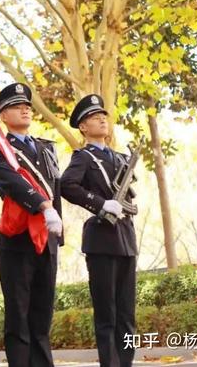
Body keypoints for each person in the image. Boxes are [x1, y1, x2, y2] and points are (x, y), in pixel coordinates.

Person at [0, 83, 63, 367]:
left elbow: (55, 187)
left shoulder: (46, 148)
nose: (25, 109)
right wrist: (43, 206)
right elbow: (11, 183)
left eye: (27, 105)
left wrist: (59, 231)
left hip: (47, 238)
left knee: (42, 315)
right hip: (17, 239)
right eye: (17, 106)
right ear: (3, 116)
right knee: (19, 314)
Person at [60, 94, 138, 367]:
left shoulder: (120, 157)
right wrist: (100, 203)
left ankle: (126, 362)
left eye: (104, 116)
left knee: (127, 313)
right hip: (101, 239)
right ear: (83, 127)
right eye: (95, 117)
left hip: (126, 237)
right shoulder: (83, 157)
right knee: (107, 313)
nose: (102, 120)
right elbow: (67, 186)